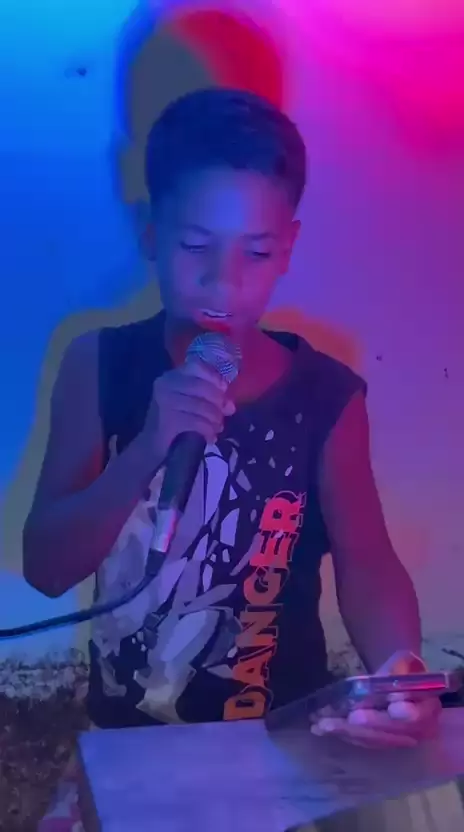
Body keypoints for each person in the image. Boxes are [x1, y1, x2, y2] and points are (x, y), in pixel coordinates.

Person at [24, 88, 440, 756]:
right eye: (197, 246)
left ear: (288, 248)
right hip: (131, 747)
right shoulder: (97, 365)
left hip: (284, 743)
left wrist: (399, 670)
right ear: (151, 232)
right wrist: (148, 448)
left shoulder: (326, 397)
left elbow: (368, 564)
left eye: (256, 253)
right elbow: (47, 567)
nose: (224, 282)